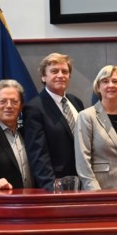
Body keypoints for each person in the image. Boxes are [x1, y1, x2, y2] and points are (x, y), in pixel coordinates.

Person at [23, 53, 85, 189]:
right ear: (43, 77)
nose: (60, 75)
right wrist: (51, 187)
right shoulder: (34, 108)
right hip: (57, 185)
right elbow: (38, 153)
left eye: (65, 71)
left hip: (83, 181)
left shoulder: (76, 102)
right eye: (54, 71)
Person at [75, 65, 117, 191]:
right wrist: (94, 191)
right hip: (101, 190)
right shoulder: (86, 116)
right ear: (98, 87)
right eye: (105, 81)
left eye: (115, 81)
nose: (110, 85)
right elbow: (82, 160)